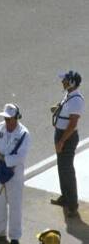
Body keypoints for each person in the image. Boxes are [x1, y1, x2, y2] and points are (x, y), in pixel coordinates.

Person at [0, 103, 30, 244]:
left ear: (16, 118)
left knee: (15, 206)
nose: (7, 121)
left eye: (9, 118)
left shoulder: (24, 134)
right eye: (5, 118)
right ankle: (0, 234)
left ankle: (15, 237)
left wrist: (2, 158)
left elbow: (20, 157)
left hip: (15, 174)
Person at [50, 70, 82, 218]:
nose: (62, 82)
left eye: (65, 80)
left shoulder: (76, 100)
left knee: (67, 170)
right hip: (61, 135)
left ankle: (72, 205)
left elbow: (72, 123)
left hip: (67, 138)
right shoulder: (69, 95)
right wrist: (58, 109)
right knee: (62, 168)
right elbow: (65, 110)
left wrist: (62, 141)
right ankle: (65, 197)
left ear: (72, 83)